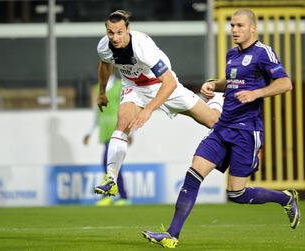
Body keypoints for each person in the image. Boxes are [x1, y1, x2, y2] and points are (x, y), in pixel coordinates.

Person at [142, 9, 300, 248]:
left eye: (239, 25)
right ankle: (172, 235)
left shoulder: (264, 53)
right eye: (232, 25)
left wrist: (257, 93)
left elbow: (285, 83)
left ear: (252, 28)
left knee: (236, 193)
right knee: (194, 171)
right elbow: (233, 81)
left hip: (246, 131)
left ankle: (285, 197)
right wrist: (215, 84)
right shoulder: (231, 55)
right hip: (223, 126)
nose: (234, 30)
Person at [93, 10, 223, 196]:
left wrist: (148, 110)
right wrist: (101, 92)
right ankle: (111, 180)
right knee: (121, 125)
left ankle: (217, 99)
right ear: (106, 31)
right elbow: (105, 64)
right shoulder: (104, 46)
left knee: (213, 122)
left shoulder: (142, 46)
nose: (115, 37)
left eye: (120, 32)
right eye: (111, 32)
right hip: (134, 87)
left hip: (163, 85)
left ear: (128, 30)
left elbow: (168, 82)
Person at [83, 74, 132, 206]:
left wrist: (130, 131)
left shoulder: (120, 85)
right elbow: (96, 112)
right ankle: (120, 195)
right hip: (105, 130)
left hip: (118, 129)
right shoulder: (96, 88)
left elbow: (127, 108)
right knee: (111, 164)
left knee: (108, 162)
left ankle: (116, 195)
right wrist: (89, 132)